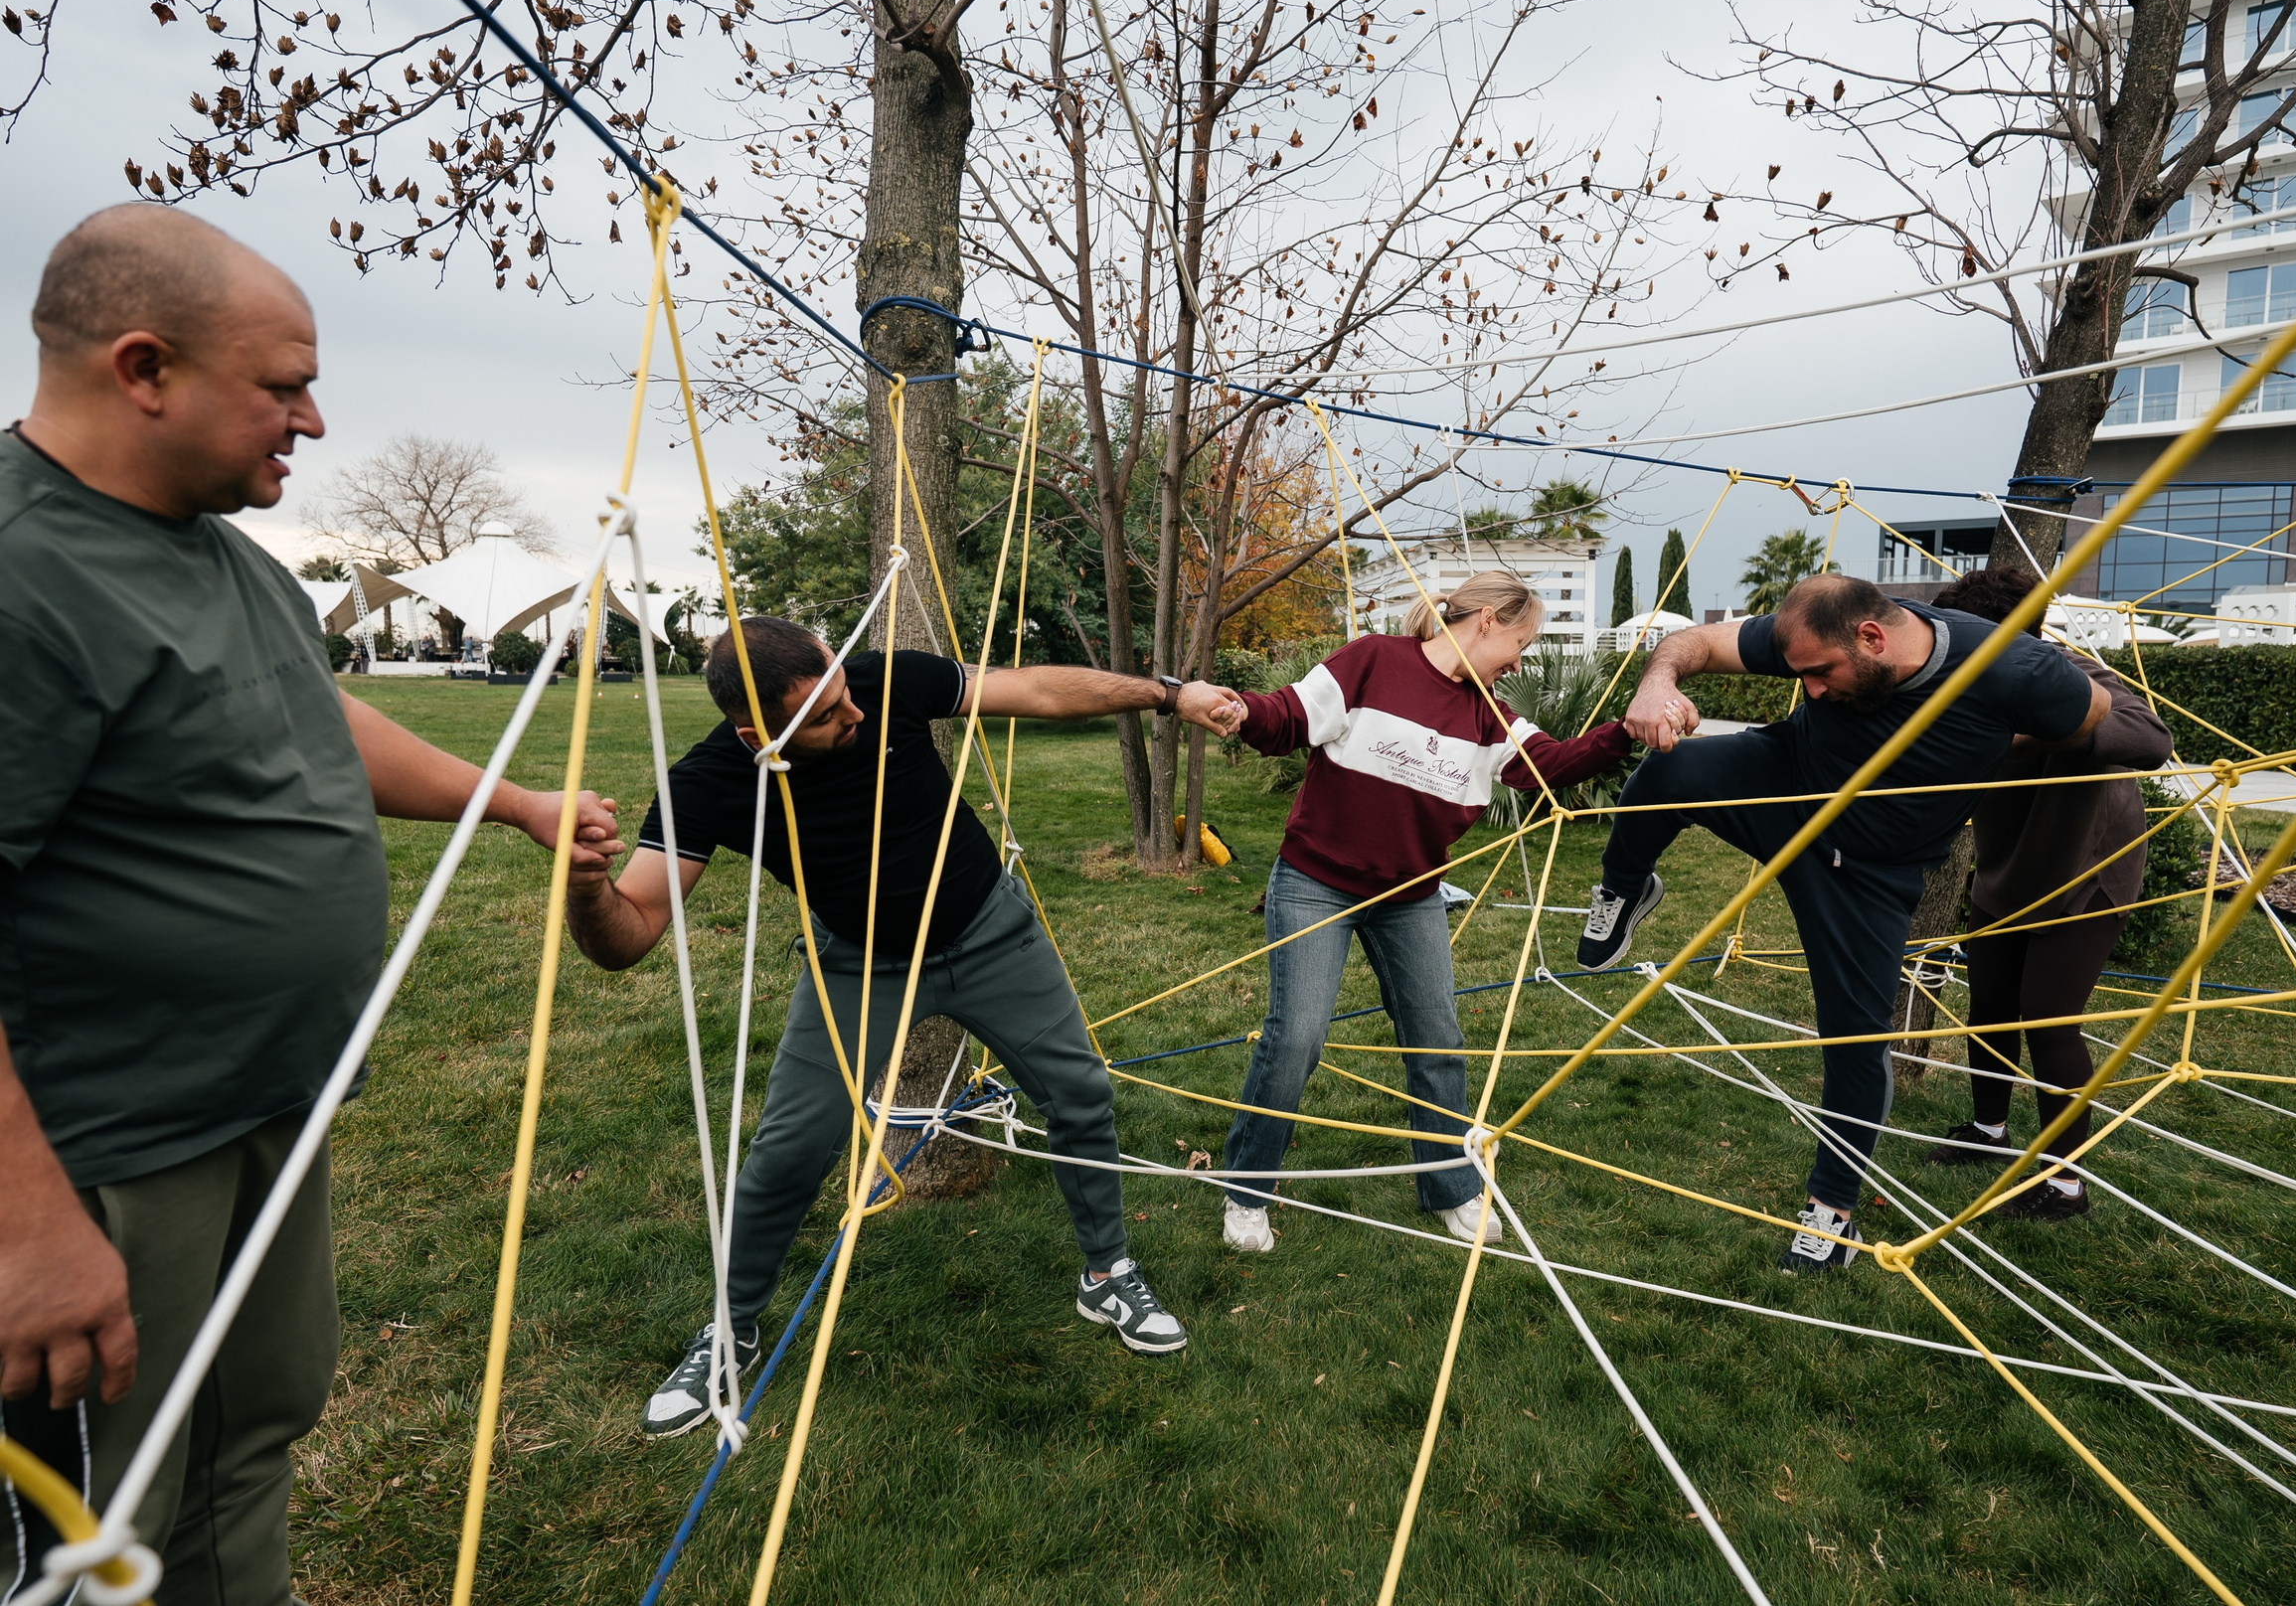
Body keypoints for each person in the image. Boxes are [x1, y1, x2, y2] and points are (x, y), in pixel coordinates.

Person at [0, 206, 616, 1605]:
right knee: (95, 1527)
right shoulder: (24, 567)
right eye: (284, 385)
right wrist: (26, 1224)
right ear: (144, 368)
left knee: (245, 1440)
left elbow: (315, 718)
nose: (315, 420)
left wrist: (511, 801)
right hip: (106, 1154)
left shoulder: (225, 555)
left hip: (263, 1102)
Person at [565, 615, 1246, 1433]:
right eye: (825, 714)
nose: (854, 712)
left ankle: (1106, 1276)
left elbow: (1033, 687)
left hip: (990, 933)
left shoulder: (883, 682)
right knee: (790, 1148)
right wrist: (587, 888)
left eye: (843, 688)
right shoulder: (708, 782)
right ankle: (730, 1328)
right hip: (859, 966)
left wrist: (1171, 694)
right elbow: (631, 932)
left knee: (1080, 1093)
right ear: (756, 735)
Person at [1573, 572, 2111, 1274]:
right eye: (1802, 673)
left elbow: (2090, 714)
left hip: (1868, 873)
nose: (1813, 688)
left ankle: (1831, 1214)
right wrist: (1656, 683)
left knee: (1856, 1039)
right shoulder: (1817, 634)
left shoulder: (2012, 667)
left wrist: (1992, 744)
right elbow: (1696, 642)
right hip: (1785, 787)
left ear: (1872, 638)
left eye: (1821, 673)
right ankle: (1625, 888)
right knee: (1664, 775)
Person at [1217, 570, 1632, 1255]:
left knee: (1437, 1038)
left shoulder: (1489, 713)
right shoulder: (1373, 660)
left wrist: (1625, 731)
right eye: (1520, 643)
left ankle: (1450, 1186)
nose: (1518, 663)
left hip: (1410, 897)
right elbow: (1288, 715)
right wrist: (1241, 712)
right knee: (1296, 1038)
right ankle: (1248, 1188)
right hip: (1317, 882)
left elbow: (1552, 763)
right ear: (1488, 620)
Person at [1921, 565, 2175, 1221]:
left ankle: (2065, 1184)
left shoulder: (2072, 674)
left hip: (2087, 869)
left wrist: (2020, 738)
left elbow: (2152, 739)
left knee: (2047, 1017)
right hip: (2008, 867)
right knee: (1991, 1005)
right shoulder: (1955, 677)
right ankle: (1989, 1132)